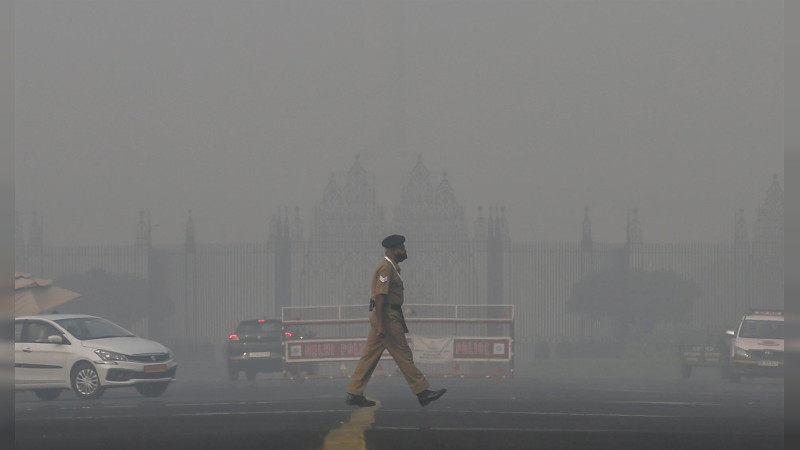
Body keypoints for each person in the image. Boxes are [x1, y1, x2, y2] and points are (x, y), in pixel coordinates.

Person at [345, 234, 447, 407]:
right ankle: (422, 392)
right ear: (393, 251)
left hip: (386, 315)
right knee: (402, 354)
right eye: (402, 249)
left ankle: (354, 392)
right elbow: (380, 296)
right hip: (386, 316)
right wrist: (382, 324)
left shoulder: (392, 268)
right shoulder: (386, 269)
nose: (404, 252)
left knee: (369, 356)